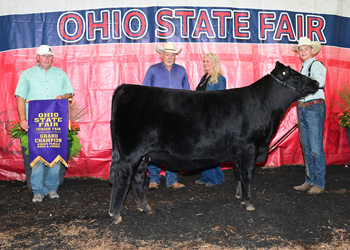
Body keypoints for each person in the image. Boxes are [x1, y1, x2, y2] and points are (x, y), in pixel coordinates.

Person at [15, 45, 74, 202]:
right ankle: (38, 190)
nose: (46, 59)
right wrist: (22, 118)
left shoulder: (60, 74)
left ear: (52, 58)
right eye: (43, 56)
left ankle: (52, 188)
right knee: (37, 157)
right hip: (36, 123)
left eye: (49, 56)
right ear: (37, 58)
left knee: (55, 156)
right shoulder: (27, 75)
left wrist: (63, 96)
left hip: (55, 123)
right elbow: (20, 97)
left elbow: (70, 93)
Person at [142, 42, 190, 189]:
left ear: (176, 56)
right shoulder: (152, 70)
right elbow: (145, 92)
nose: (169, 57)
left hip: (176, 116)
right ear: (161, 55)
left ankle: (172, 179)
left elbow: (187, 94)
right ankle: (153, 179)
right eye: (167, 54)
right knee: (155, 147)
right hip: (157, 115)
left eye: (172, 55)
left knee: (174, 148)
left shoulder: (181, 71)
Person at [292, 37, 327, 195]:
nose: (303, 51)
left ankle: (319, 182)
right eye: (300, 49)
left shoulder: (316, 65)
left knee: (315, 148)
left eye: (306, 48)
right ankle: (309, 180)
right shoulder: (302, 68)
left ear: (312, 50)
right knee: (306, 147)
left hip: (314, 107)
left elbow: (319, 82)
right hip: (303, 108)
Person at [194, 52, 226, 187]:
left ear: (214, 63)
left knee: (211, 149)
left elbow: (219, 102)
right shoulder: (204, 78)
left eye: (208, 61)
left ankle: (217, 178)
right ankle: (206, 176)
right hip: (200, 119)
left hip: (211, 120)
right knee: (203, 148)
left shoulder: (219, 79)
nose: (205, 63)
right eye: (204, 61)